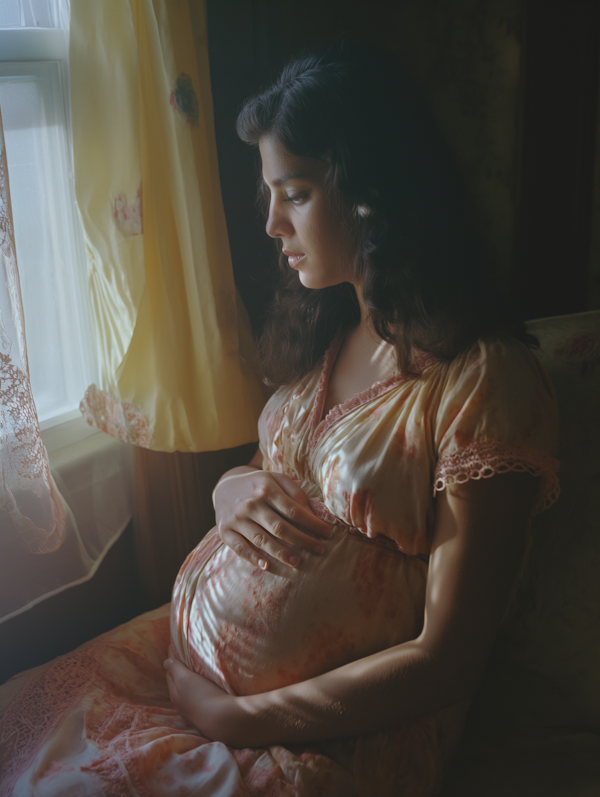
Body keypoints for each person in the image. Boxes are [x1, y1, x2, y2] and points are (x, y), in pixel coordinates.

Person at [0, 45, 559, 797]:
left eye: (292, 193)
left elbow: (448, 657)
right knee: (20, 729)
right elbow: (276, 473)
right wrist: (228, 488)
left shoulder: (483, 380)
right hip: (192, 680)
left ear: (372, 193)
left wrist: (241, 719)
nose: (270, 223)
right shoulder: (326, 326)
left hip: (322, 735)